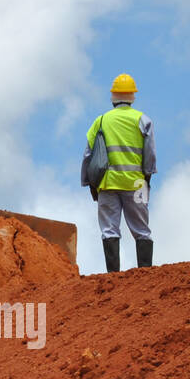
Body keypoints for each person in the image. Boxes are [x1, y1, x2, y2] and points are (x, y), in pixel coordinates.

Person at [81, 73, 155, 272]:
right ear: (133, 96)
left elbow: (88, 154)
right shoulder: (143, 120)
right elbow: (150, 155)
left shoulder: (102, 120)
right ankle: (146, 274)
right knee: (142, 230)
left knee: (109, 230)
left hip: (108, 184)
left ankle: (113, 277)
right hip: (137, 184)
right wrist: (147, 178)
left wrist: (89, 183)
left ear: (113, 96)